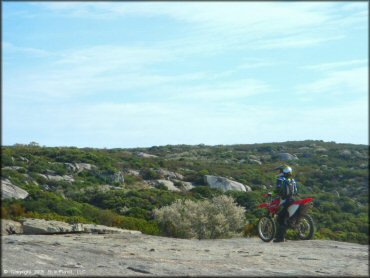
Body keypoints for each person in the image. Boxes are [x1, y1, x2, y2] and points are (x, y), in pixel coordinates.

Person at [273, 164, 298, 243]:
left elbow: (278, 190)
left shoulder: (281, 179)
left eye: (279, 171)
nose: (279, 172)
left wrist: (273, 194)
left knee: (280, 218)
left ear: (283, 172)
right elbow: (296, 191)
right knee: (287, 216)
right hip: (292, 199)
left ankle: (280, 238)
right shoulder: (292, 180)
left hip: (286, 201)